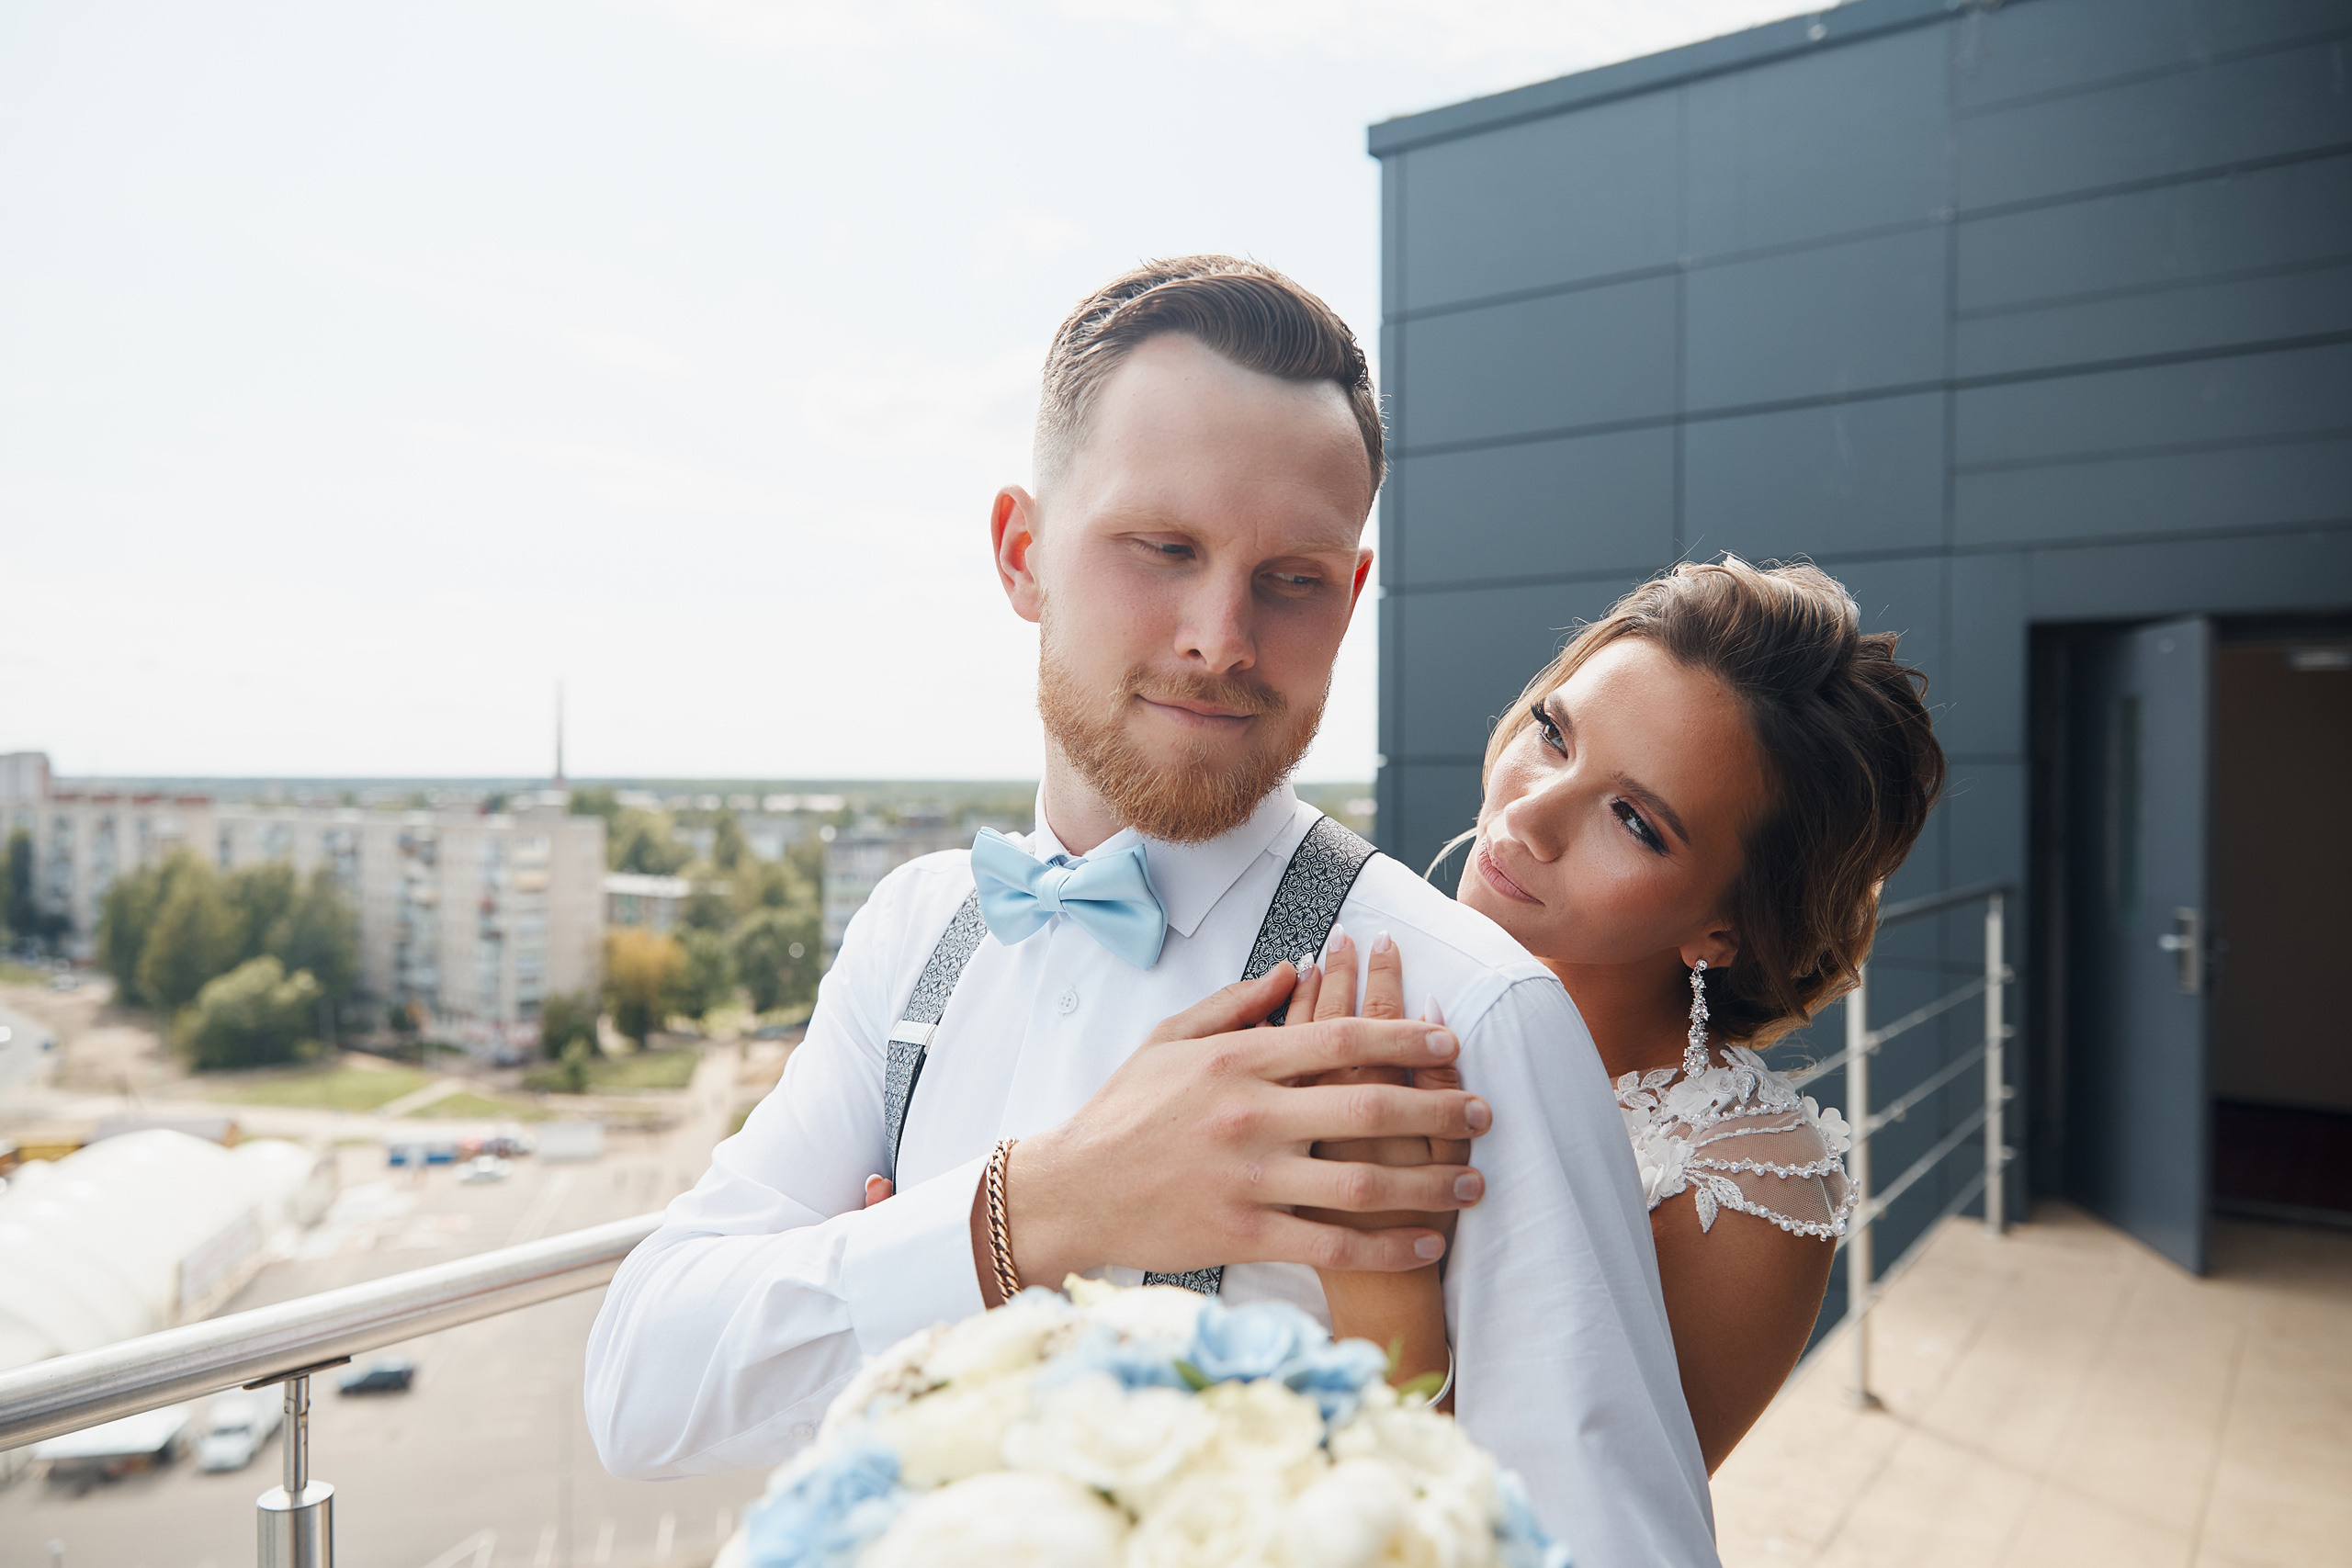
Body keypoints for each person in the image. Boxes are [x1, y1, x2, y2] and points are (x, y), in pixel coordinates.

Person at [584, 256, 1720, 1565]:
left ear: (1349, 603)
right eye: (1164, 547)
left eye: (1289, 577)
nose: (1220, 636)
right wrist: (1041, 1207)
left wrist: (858, 1269)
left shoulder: (1473, 1012)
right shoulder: (911, 927)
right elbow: (640, 1381)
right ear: (1022, 553)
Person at [1283, 558, 1945, 1473]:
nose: (1527, 819)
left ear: (1727, 927)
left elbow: (1576, 1535)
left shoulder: (1742, 1187)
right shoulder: (1330, 975)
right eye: (1554, 734)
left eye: (1635, 821)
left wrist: (1382, 1291)